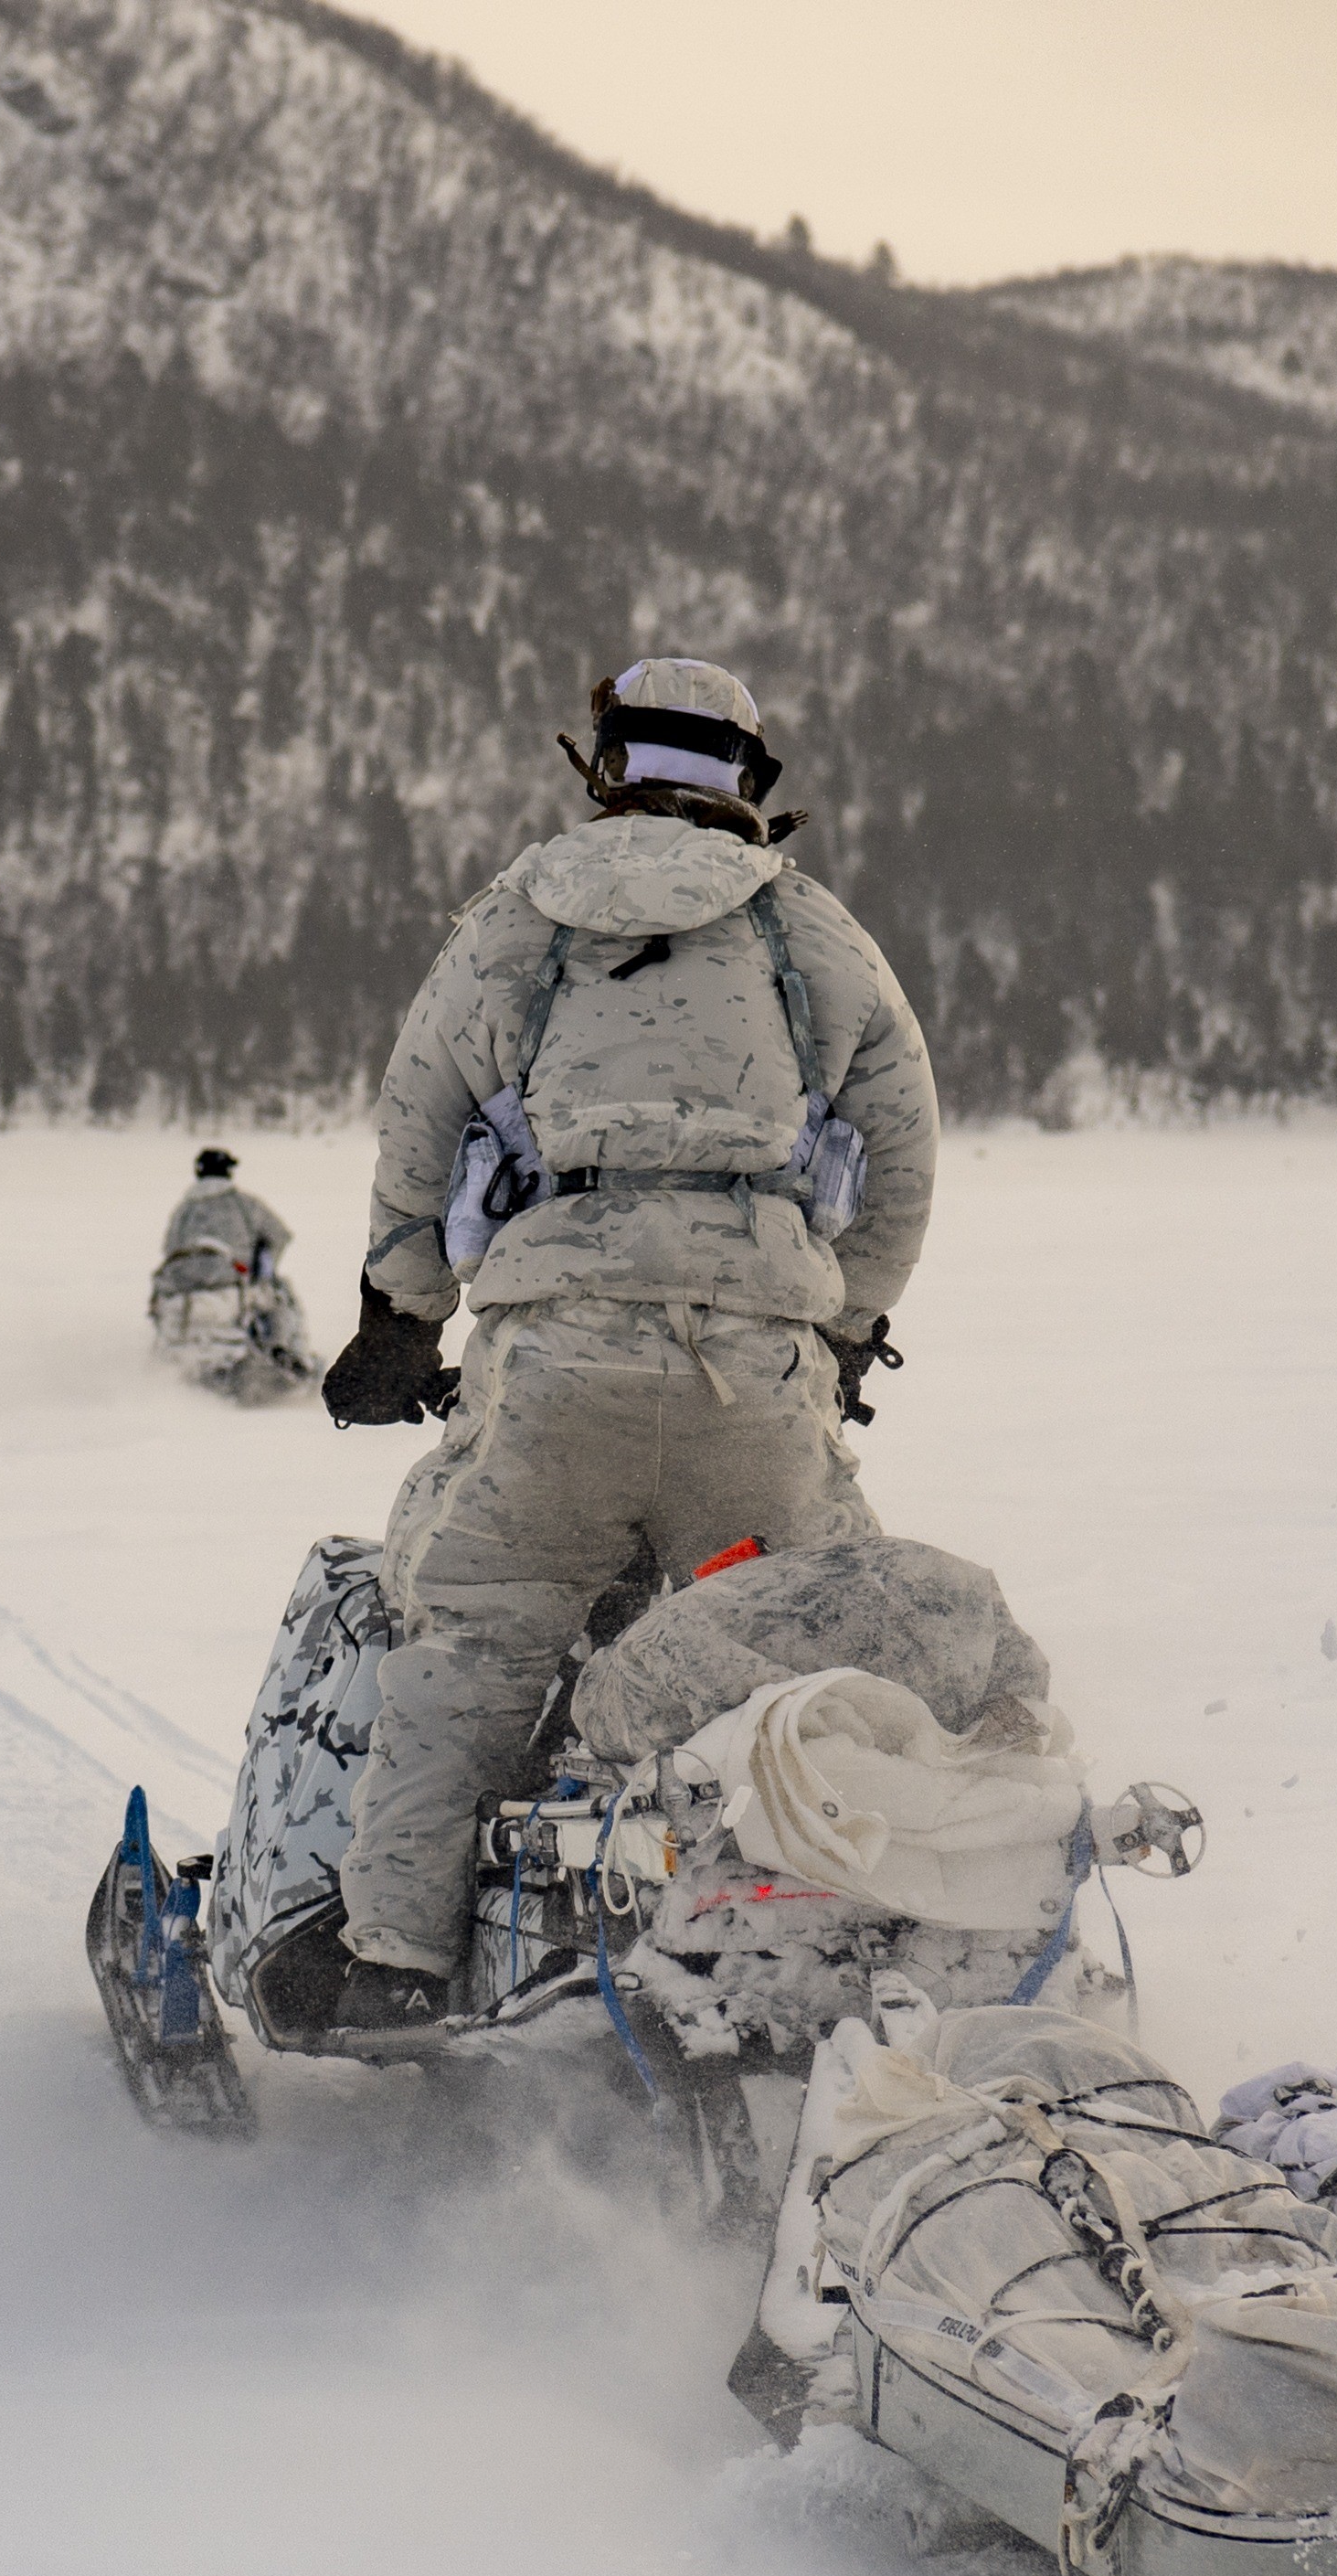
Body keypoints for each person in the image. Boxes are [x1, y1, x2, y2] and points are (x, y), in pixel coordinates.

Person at [313, 659, 938, 2031]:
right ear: (746, 778)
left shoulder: (517, 918)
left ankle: (396, 1957)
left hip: (557, 1361)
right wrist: (842, 1327)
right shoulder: (810, 930)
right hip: (752, 1369)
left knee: (472, 1643)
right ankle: (868, 1947)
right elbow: (898, 1147)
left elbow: (419, 1122)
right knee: (811, 1658)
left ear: (604, 766)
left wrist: (400, 1318)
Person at [158, 1146, 292, 1281]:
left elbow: (170, 1248)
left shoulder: (183, 1210)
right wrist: (260, 1274)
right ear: (228, 1171)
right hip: (236, 1282)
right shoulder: (245, 1204)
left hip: (184, 1285)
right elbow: (279, 1235)